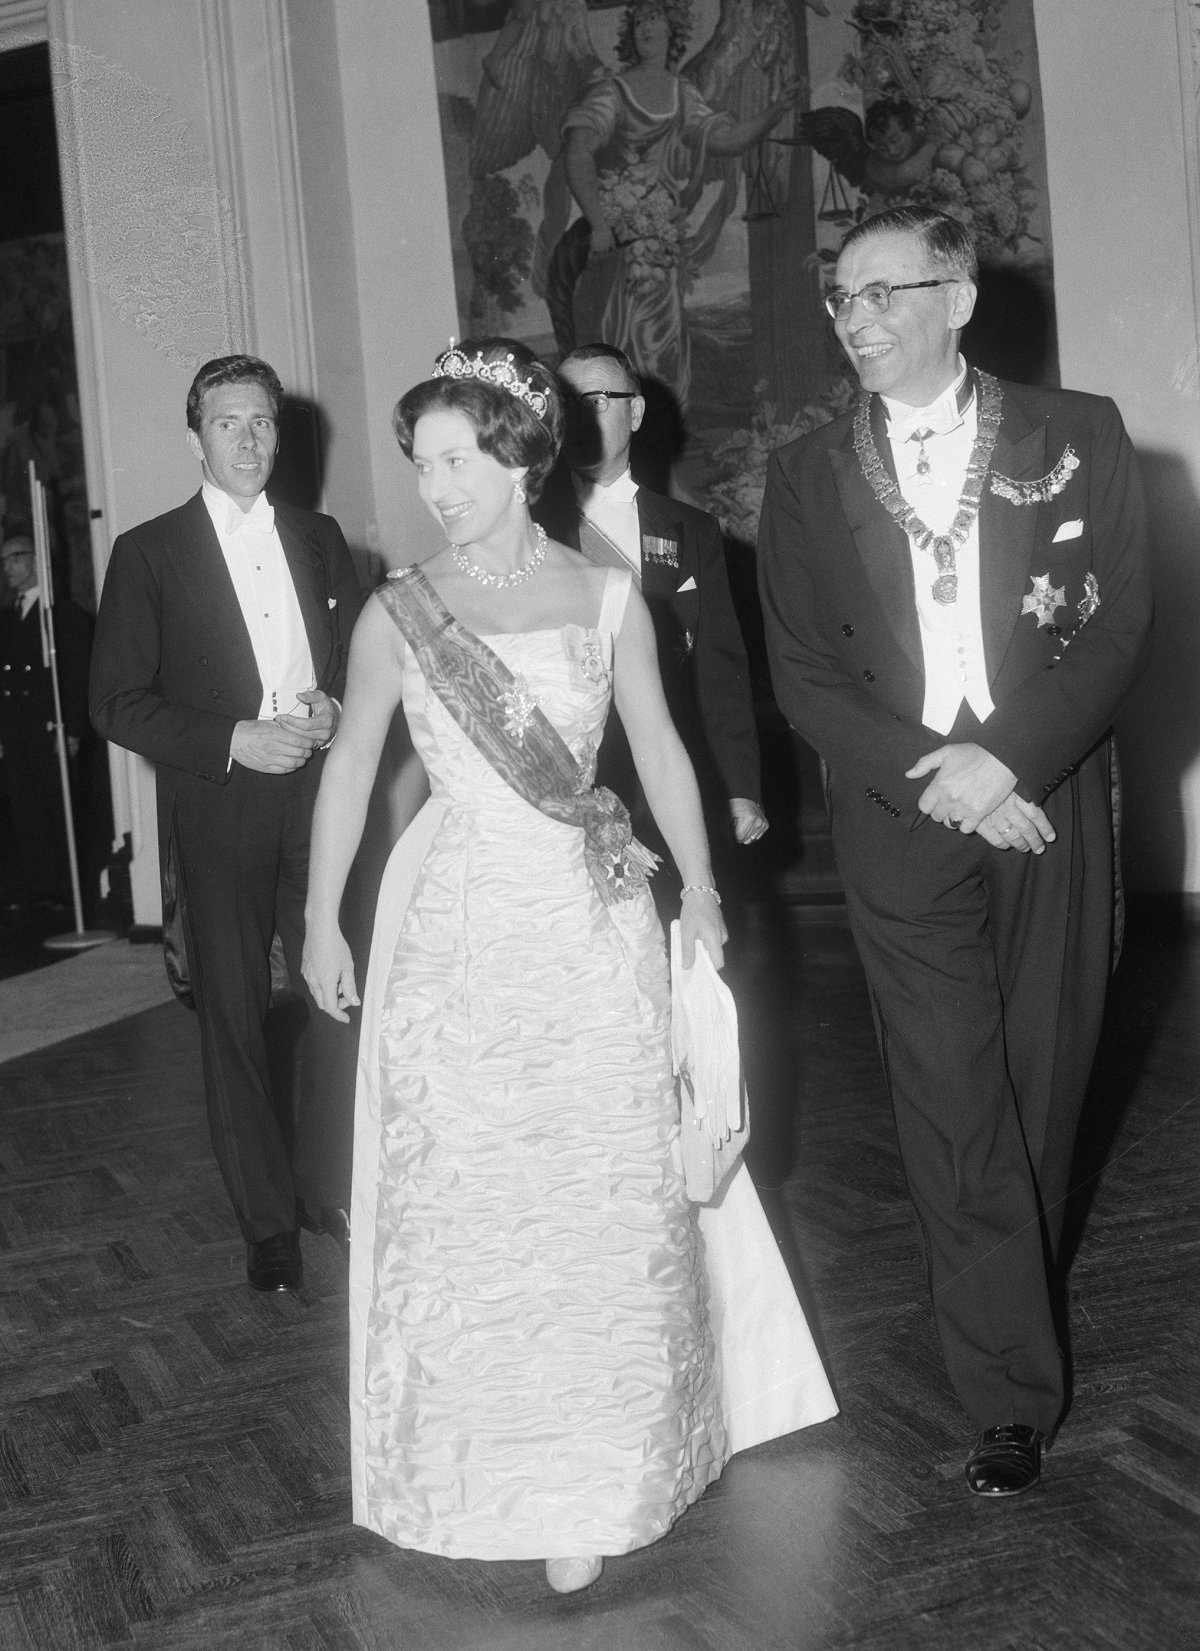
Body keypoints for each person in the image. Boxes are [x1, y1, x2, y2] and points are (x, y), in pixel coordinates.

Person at [302, 337, 835, 1594]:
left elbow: (659, 748)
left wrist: (701, 892)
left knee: (599, 1185)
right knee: (473, 1191)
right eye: (421, 462)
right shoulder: (397, 611)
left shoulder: (605, 596)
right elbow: (346, 769)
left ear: (518, 453)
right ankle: (468, 1454)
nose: (435, 485)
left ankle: (598, 1471)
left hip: (591, 922)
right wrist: (325, 916)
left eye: (456, 457)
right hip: (456, 927)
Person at [758, 206, 1151, 1497]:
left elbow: (1116, 631)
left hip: (1044, 807)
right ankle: (1004, 1391)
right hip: (900, 816)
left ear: (959, 297)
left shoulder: (1076, 431)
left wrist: (1007, 758)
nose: (858, 318)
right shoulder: (809, 473)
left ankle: (1008, 1311)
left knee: (1039, 1086)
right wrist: (943, 778)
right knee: (947, 1096)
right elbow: (806, 677)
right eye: (841, 297)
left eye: (885, 291)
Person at [90, 354, 364, 1293]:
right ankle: (266, 1220)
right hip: (221, 804)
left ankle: (334, 1185)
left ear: (280, 433)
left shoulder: (320, 537)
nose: (248, 440)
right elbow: (115, 702)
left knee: (340, 988)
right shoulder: (150, 551)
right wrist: (234, 738)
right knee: (236, 1015)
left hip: (319, 799)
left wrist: (333, 707)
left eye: (262, 422)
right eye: (227, 423)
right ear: (196, 436)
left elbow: (360, 666)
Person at [537, 342, 766, 849]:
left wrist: (740, 787)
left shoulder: (691, 530)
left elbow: (718, 668)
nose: (578, 419)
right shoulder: (530, 528)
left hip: (669, 775)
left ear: (635, 412)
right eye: (566, 405)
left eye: (595, 401)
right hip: (562, 781)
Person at [561, 0, 798, 407]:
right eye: (637, 22)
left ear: (674, 29)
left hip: (662, 236)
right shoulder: (612, 93)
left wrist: (774, 112)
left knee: (666, 336)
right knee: (625, 332)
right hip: (620, 239)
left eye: (654, 19)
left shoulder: (682, 93)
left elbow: (724, 140)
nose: (645, 28)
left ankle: (663, 424)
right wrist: (599, 223)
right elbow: (578, 151)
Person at [0, 532, 90, 914]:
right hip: (18, 734)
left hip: (49, 730)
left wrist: (72, 729)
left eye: (15, 558)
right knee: (26, 811)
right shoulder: (7, 617)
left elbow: (75, 676)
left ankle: (73, 891)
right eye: (4, 561)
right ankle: (42, 888)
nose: (8, 568)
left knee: (60, 810)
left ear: (37, 560)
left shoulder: (62, 614)